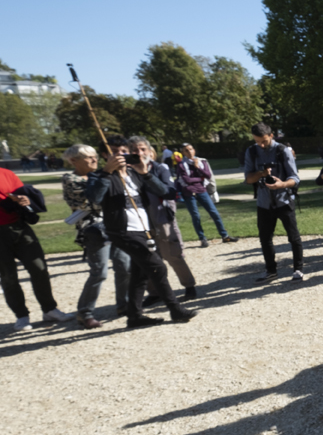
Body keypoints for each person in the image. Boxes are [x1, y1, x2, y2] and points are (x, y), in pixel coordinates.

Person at [85, 139, 196, 327]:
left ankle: (134, 316)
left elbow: (166, 192)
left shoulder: (134, 173)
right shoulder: (98, 176)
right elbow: (95, 199)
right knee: (157, 267)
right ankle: (175, 309)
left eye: (123, 151)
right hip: (122, 231)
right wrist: (106, 172)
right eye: (114, 152)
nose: (119, 154)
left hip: (145, 228)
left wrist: (146, 174)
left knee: (140, 272)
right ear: (106, 155)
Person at [62, 144, 131, 328]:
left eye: (95, 156)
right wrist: (107, 173)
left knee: (124, 266)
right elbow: (93, 201)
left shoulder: (101, 174)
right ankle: (85, 312)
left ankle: (124, 305)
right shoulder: (71, 179)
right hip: (94, 229)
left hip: (115, 224)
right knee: (99, 272)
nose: (94, 160)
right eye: (88, 157)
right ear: (74, 161)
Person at [1, 167, 74, 331]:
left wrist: (23, 200)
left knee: (39, 268)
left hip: (19, 227)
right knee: (8, 276)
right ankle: (21, 316)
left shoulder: (6, 173)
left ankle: (49, 309)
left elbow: (20, 194)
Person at [127, 136, 198, 302]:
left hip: (162, 218)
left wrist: (146, 175)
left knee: (173, 255)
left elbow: (169, 192)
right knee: (146, 258)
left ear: (150, 151)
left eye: (142, 149)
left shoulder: (160, 168)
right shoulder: (127, 172)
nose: (139, 153)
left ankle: (189, 286)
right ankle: (154, 292)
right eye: (135, 150)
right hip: (139, 222)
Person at [243, 122, 304, 282]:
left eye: (264, 141)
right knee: (265, 238)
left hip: (283, 200)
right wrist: (262, 173)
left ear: (271, 135)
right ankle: (271, 270)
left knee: (293, 237)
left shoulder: (282, 151)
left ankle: (298, 269)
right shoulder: (251, 152)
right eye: (257, 141)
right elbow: (248, 179)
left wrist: (282, 184)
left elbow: (295, 178)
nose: (261, 145)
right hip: (264, 203)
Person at [175, 143, 236, 246]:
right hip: (189, 193)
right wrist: (200, 178)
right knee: (196, 216)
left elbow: (208, 175)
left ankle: (225, 236)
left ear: (194, 150)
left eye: (191, 149)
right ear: (183, 153)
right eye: (186, 150)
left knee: (214, 213)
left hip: (202, 191)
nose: (189, 151)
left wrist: (198, 167)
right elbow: (187, 180)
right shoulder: (181, 165)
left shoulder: (202, 161)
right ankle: (202, 239)